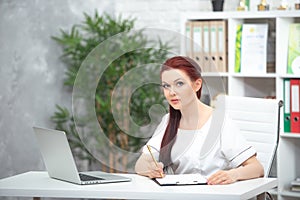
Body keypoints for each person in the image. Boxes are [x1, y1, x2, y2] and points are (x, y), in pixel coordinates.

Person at [134, 56, 264, 185]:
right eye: (166, 86)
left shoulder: (219, 122)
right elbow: (141, 162)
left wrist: (233, 175)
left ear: (197, 85)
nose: (171, 92)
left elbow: (257, 168)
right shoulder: (168, 121)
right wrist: (149, 168)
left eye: (179, 84)